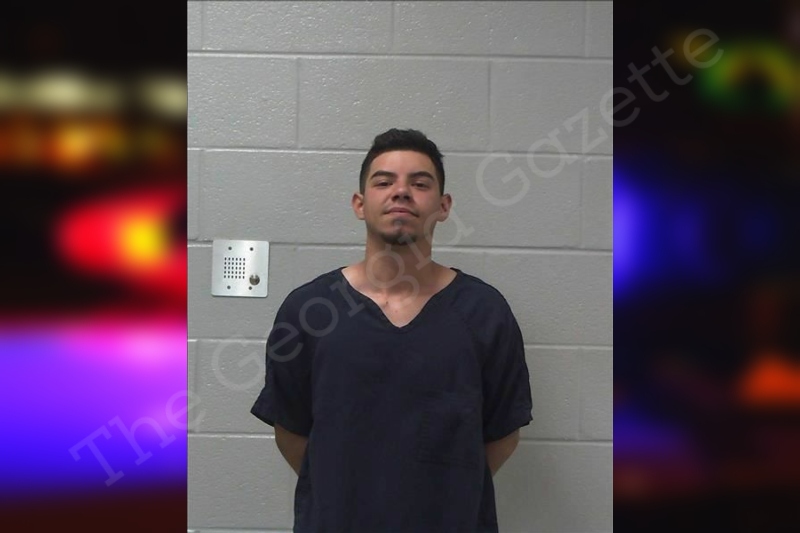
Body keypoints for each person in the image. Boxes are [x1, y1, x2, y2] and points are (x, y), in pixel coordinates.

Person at [251, 128, 533, 533]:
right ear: (359, 204)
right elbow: (290, 430)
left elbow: (502, 434)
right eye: (384, 182)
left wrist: (442, 494)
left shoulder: (485, 312)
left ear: (443, 206)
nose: (401, 192)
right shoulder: (308, 311)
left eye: (420, 184)